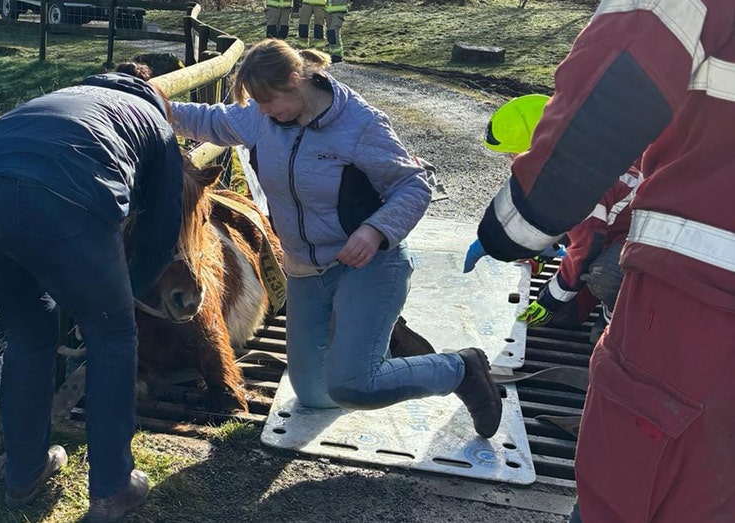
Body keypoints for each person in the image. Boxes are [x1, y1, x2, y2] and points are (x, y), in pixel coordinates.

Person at [464, 1, 735, 521]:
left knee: (632, 484)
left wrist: (523, 254)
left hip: (694, 314)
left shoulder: (598, 181)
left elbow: (579, 240)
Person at [168, 38, 503, 438]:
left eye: (268, 100)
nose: (261, 110)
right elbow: (207, 119)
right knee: (313, 394)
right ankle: (374, 338)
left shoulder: (359, 124)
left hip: (368, 263)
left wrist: (375, 230)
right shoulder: (264, 118)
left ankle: (460, 368)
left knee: (353, 385)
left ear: (296, 80)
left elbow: (414, 186)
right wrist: (150, 101)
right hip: (306, 272)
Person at [0, 68, 185, 522]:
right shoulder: (154, 122)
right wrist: (125, 295)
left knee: (28, 333)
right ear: (157, 98)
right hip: (61, 200)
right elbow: (160, 234)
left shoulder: (65, 96)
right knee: (113, 337)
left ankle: (24, 473)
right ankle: (114, 488)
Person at [471, 94, 644, 343]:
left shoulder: (584, 183)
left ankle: (615, 319)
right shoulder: (573, 152)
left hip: (638, 238)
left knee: (600, 280)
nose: (511, 162)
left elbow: (585, 249)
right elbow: (551, 216)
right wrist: (540, 251)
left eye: (513, 154)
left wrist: (549, 302)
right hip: (610, 227)